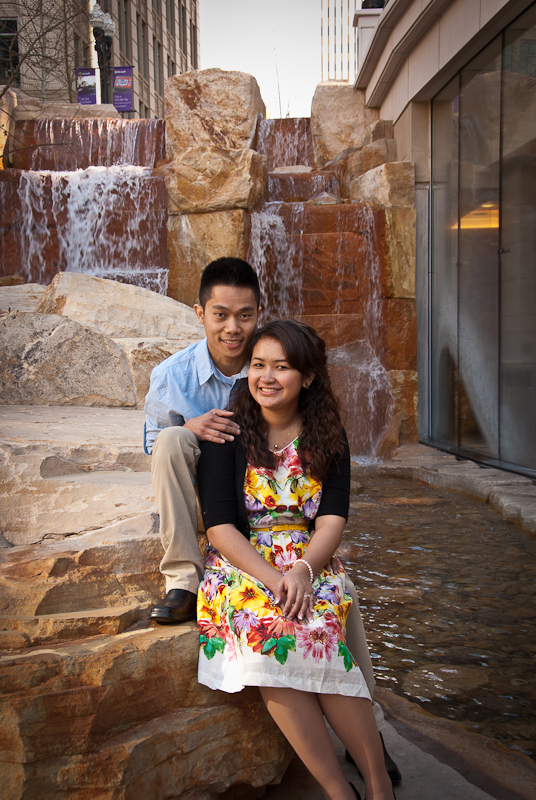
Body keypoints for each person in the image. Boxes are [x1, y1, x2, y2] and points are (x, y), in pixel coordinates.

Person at [196, 320, 396, 800]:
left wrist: (303, 571)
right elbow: (220, 528)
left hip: (309, 560)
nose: (266, 377)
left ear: (307, 377)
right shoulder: (226, 433)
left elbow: (331, 521)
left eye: (281, 367)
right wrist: (276, 579)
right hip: (242, 565)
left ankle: (379, 786)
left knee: (318, 629)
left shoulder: (328, 435)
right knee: (270, 636)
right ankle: (339, 791)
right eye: (258, 365)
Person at [144, 257, 260, 623]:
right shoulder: (171, 376)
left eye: (245, 316)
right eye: (220, 315)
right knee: (171, 439)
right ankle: (183, 582)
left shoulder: (275, 367)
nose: (233, 328)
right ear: (200, 314)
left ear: (259, 313)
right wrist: (190, 428)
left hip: (263, 502)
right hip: (203, 506)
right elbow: (154, 449)